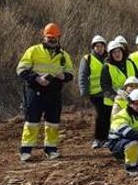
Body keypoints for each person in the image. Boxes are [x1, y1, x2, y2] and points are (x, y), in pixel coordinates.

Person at [16, 23, 75, 161]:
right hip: (34, 91)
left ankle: (51, 149)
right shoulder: (33, 51)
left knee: (53, 122)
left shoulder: (64, 55)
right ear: (44, 37)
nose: (52, 40)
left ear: (58, 37)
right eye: (49, 37)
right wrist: (36, 78)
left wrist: (63, 76)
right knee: (31, 121)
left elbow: (70, 73)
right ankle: (25, 150)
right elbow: (21, 70)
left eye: (54, 37)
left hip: (54, 93)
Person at [107, 88, 138, 176]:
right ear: (130, 104)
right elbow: (128, 133)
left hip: (134, 141)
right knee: (133, 143)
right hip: (118, 145)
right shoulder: (122, 116)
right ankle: (131, 168)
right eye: (137, 103)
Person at [78, 35, 108, 149]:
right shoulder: (87, 59)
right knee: (99, 116)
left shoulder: (108, 58)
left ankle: (105, 138)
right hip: (95, 94)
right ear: (93, 47)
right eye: (97, 46)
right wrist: (84, 91)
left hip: (107, 93)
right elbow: (82, 76)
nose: (99, 48)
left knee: (107, 115)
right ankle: (98, 139)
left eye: (101, 46)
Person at [101, 40, 138, 109]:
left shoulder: (130, 63)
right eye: (114, 52)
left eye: (119, 51)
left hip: (132, 100)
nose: (117, 54)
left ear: (122, 52)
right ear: (111, 55)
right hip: (113, 104)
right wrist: (115, 96)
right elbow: (105, 86)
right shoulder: (107, 67)